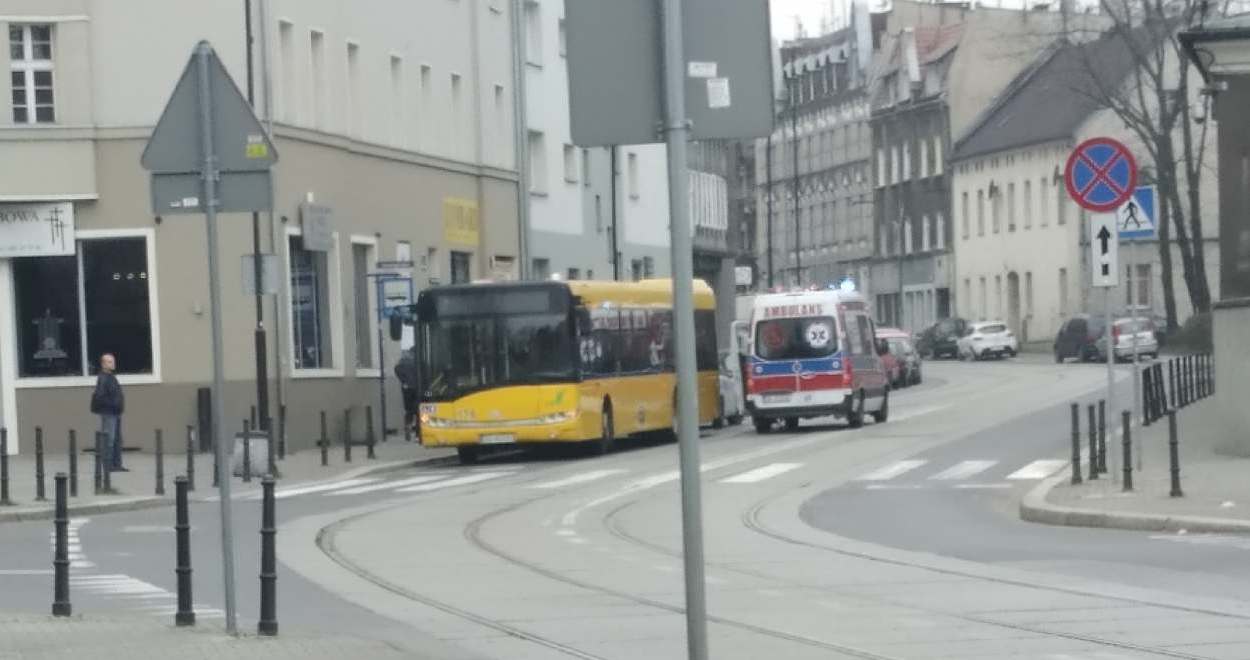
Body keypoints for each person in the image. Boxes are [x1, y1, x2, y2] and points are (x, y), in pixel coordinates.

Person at [90, 353, 126, 472]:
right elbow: (100, 396)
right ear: (103, 364)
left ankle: (117, 464)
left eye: (113, 361)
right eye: (110, 362)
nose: (113, 364)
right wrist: (112, 404)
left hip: (116, 412)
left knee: (117, 439)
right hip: (109, 412)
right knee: (109, 439)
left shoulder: (111, 377)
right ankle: (108, 465)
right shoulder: (103, 378)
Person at [394, 347, 420, 435]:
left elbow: (396, 369)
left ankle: (408, 425)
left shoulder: (403, 361)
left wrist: (404, 381)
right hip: (418, 388)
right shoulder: (419, 361)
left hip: (407, 388)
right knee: (419, 410)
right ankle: (418, 431)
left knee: (409, 409)